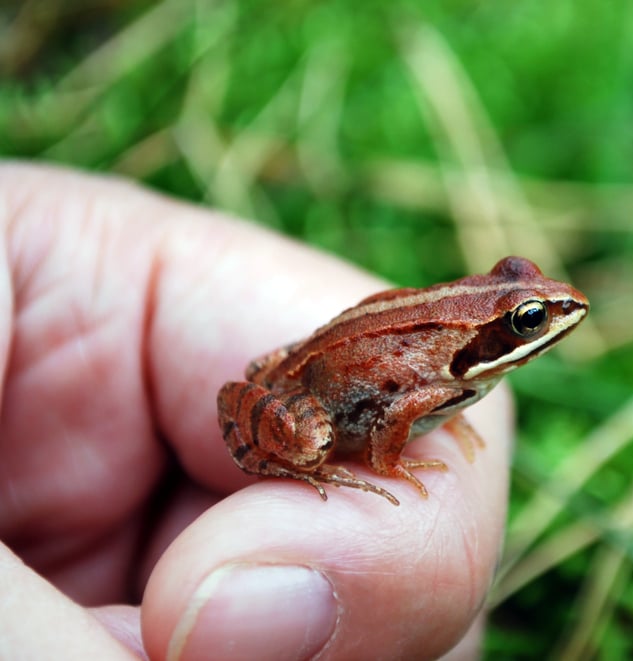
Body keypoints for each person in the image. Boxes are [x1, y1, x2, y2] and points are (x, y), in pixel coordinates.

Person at [0, 163, 510, 660]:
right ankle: (297, 458)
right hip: (314, 398)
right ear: (487, 334)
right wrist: (388, 465)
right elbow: (402, 409)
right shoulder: (437, 381)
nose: (549, 320)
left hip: (300, 364)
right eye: (526, 320)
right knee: (312, 446)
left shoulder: (457, 369)